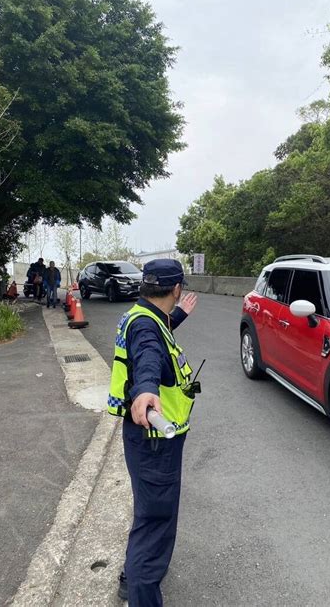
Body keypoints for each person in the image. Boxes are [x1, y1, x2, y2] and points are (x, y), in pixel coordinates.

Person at [107, 259, 198, 607]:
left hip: (146, 438)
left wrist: (180, 318)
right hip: (156, 440)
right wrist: (146, 391)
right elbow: (147, 354)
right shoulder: (146, 327)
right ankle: (140, 585)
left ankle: (134, 576)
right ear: (176, 289)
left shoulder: (141, 315)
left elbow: (155, 336)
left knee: (149, 512)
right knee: (156, 520)